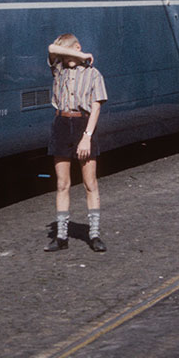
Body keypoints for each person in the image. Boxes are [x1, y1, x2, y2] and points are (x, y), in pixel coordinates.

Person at [45, 33, 109, 253]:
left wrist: (87, 137)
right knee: (62, 184)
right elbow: (52, 48)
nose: (66, 57)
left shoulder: (94, 74)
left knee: (90, 183)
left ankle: (94, 234)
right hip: (61, 124)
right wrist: (79, 54)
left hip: (83, 126)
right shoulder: (59, 69)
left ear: (78, 46)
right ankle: (61, 237)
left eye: (70, 52)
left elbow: (96, 107)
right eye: (65, 54)